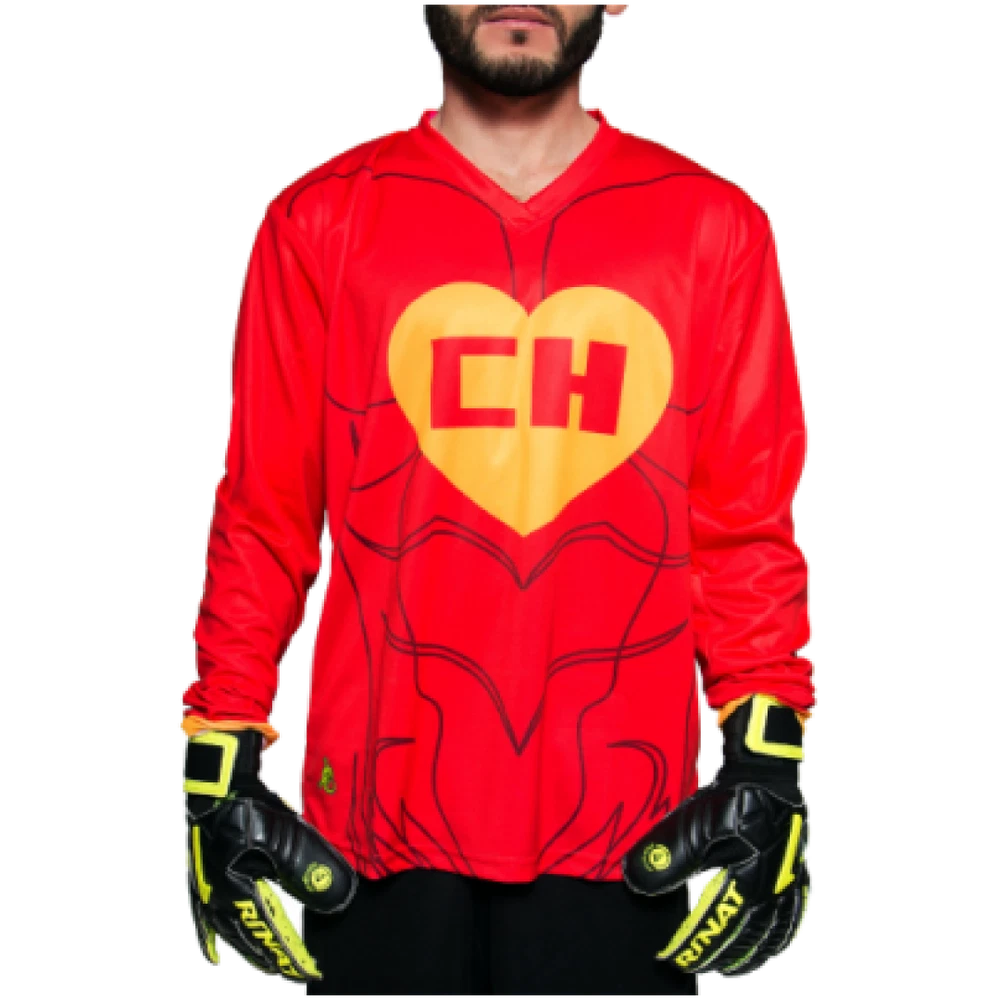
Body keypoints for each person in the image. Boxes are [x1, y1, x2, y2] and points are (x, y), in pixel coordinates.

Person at [177, 2, 818, 997]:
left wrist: (770, 759)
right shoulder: (318, 217)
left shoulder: (713, 224)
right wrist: (218, 748)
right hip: (375, 824)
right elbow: (265, 513)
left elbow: (744, 526)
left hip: (631, 825)